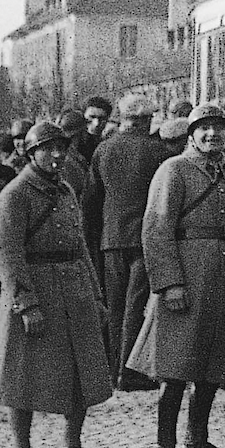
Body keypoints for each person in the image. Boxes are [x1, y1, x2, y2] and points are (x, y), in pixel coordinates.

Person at [127, 107, 225, 448]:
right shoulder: (174, 170)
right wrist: (169, 283)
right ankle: (164, 445)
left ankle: (197, 440)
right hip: (187, 277)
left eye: (218, 128)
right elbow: (156, 229)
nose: (211, 135)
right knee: (176, 363)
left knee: (215, 360)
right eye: (203, 128)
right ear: (191, 134)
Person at [0, 122, 117, 448]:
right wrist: (26, 304)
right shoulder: (15, 194)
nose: (57, 156)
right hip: (35, 290)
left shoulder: (66, 189)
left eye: (62, 148)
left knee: (80, 371)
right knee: (22, 378)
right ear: (30, 154)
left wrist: (96, 294)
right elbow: (5, 254)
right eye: (48, 149)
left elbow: (81, 246)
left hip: (74, 289)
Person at [88, 92, 167, 388]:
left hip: (111, 239)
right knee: (137, 305)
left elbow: (92, 199)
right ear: (146, 120)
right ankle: (130, 371)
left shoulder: (103, 150)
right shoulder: (157, 152)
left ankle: (112, 369)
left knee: (116, 304)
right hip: (144, 239)